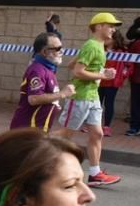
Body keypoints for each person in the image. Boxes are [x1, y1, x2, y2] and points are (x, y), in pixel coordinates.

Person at [58, 12, 122, 187]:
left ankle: (95, 174)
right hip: (80, 97)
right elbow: (78, 72)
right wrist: (103, 75)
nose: (113, 29)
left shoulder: (96, 46)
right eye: (110, 25)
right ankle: (34, 153)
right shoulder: (93, 46)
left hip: (92, 96)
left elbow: (73, 64)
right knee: (66, 134)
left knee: (97, 134)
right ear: (99, 26)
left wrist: (95, 70)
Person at [10, 32, 76, 133]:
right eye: (57, 49)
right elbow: (34, 99)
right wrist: (62, 94)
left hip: (37, 129)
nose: (62, 51)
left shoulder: (48, 70)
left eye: (61, 48)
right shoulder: (38, 70)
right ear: (45, 52)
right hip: (27, 129)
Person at [98, 29, 131, 136]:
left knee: (109, 104)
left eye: (108, 38)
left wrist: (121, 76)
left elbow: (129, 66)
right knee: (96, 104)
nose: (105, 39)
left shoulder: (123, 51)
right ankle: (94, 125)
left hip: (112, 83)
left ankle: (106, 126)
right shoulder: (99, 48)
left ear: (114, 39)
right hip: (98, 80)